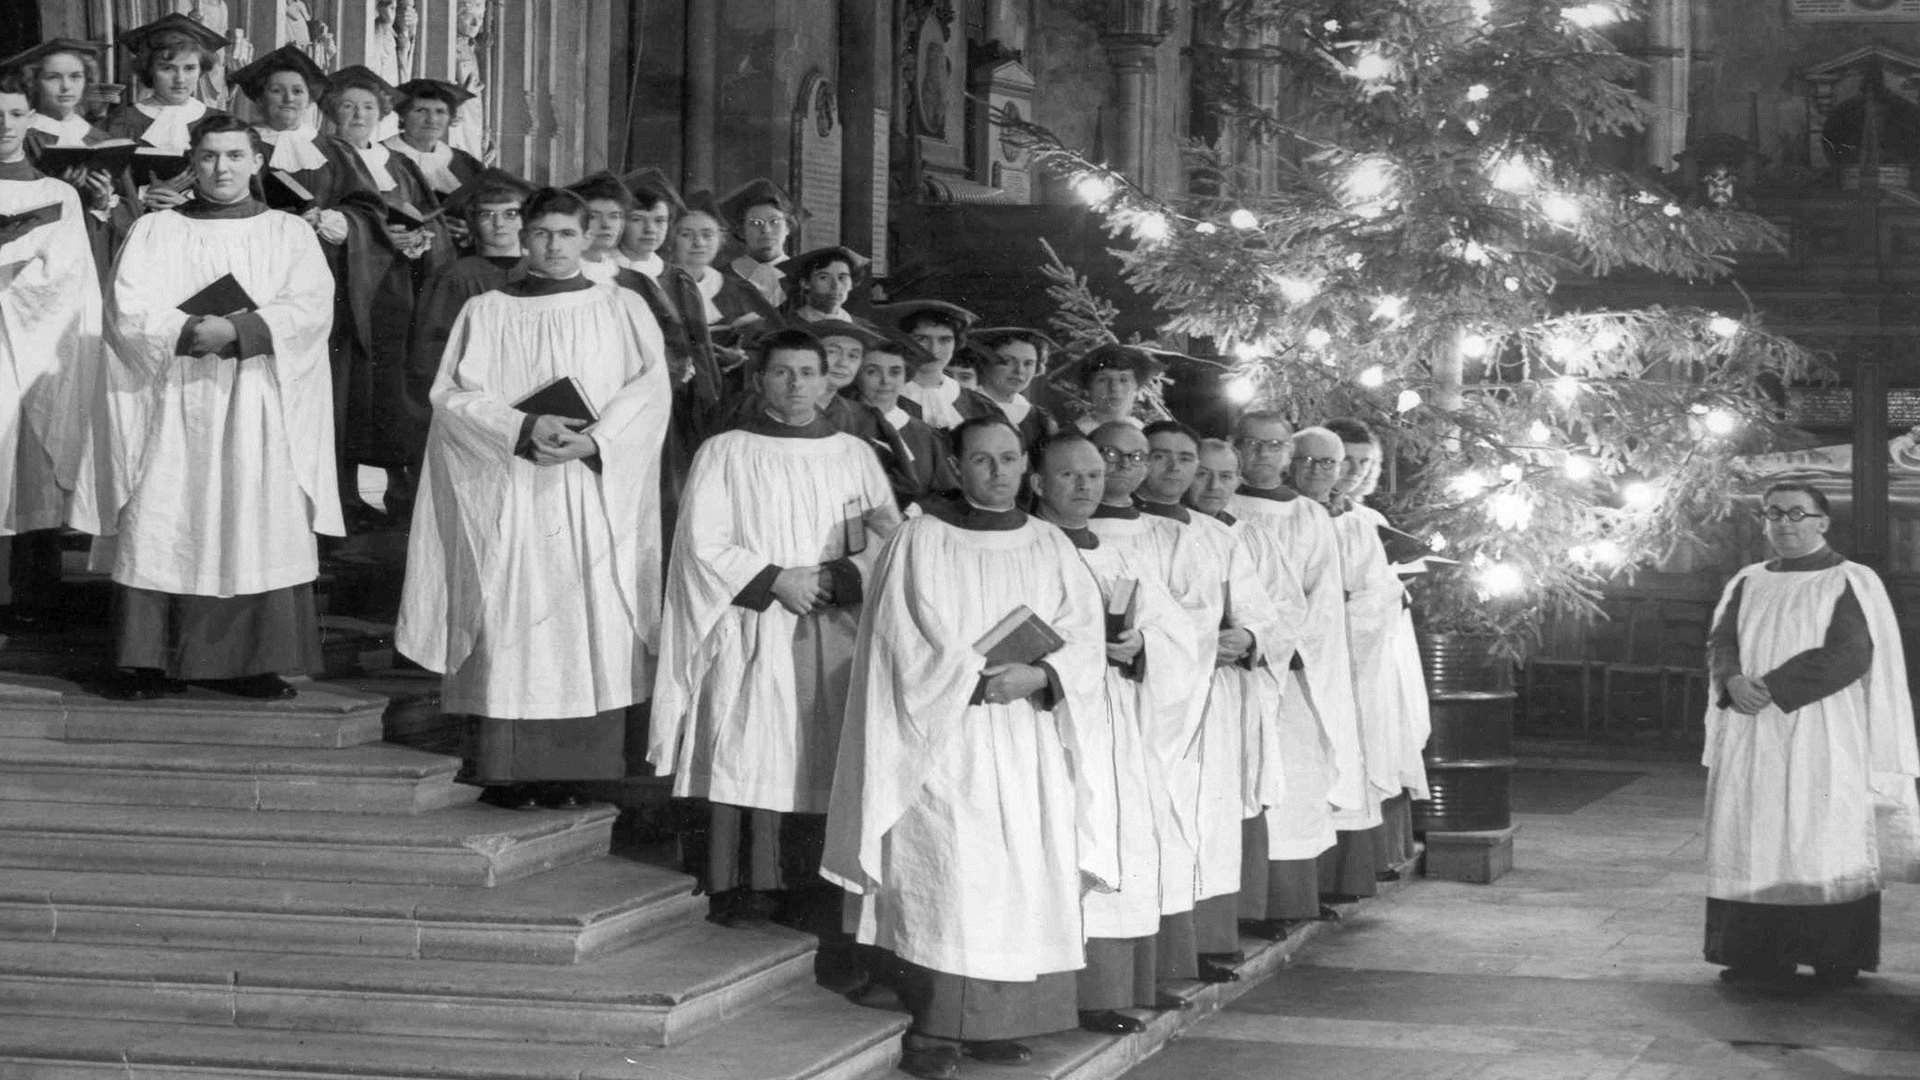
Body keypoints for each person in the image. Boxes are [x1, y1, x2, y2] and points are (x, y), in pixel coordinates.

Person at [822, 417, 1112, 1080]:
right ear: (954, 466)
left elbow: (1084, 635)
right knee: (952, 872)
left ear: (1024, 465)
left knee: (1020, 871)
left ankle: (1000, 1025)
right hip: (945, 737)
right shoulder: (920, 539)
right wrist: (972, 677)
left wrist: (1041, 676)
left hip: (1030, 731)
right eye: (981, 461)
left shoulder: (1049, 543)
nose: (998, 473)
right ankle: (936, 1025)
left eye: (1009, 459)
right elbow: (901, 639)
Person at [397, 186, 671, 809]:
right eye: (542, 233)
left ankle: (581, 768)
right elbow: (455, 396)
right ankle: (510, 770)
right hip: (513, 485)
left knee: (586, 617)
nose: (553, 245)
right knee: (514, 612)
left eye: (567, 234)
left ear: (588, 239)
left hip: (588, 488)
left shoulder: (622, 307)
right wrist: (523, 427)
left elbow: (650, 392)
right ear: (524, 237)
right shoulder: (489, 310)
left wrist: (595, 442)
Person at [651, 327, 899, 924]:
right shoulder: (726, 451)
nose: (796, 385)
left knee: (822, 751)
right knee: (749, 742)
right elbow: (700, 544)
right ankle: (741, 884)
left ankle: (814, 887)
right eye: (782, 373)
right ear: (760, 380)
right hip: (752, 619)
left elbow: (889, 541)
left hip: (832, 621)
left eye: (808, 373)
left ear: (826, 381)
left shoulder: (855, 454)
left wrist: (841, 576)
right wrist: (776, 579)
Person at [96, 113, 339, 701]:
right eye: (208, 157)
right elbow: (126, 309)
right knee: (165, 514)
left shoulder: (289, 233)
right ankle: (147, 660)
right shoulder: (156, 231)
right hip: (174, 396)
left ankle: (255, 661)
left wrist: (243, 331)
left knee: (256, 516)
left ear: (257, 161)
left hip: (259, 397)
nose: (221, 168)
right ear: (192, 162)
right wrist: (189, 332)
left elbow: (311, 308)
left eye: (234, 156)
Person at [1702, 481, 1920, 986]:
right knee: (1754, 833)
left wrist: (1773, 687)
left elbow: (1850, 652)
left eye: (1797, 514)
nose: (1784, 523)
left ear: (1822, 522)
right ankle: (1755, 954)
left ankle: (1833, 956)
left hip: (1821, 727)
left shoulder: (1851, 579)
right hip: (1752, 731)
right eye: (1773, 513)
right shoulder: (1748, 580)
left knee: (1820, 833)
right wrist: (1733, 679)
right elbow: (1721, 640)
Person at [1025, 429, 1197, 1035]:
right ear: (1038, 481)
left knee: (1120, 841)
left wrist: (1142, 645)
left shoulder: (1121, 553)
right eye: (1069, 476)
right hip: (1049, 724)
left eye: (1094, 476)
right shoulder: (1022, 547)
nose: (1084, 487)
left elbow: (1177, 635)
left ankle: (1107, 990)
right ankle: (1057, 998)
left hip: (1118, 720)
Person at [1137, 423, 1289, 967]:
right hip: (1145, 696)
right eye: (1161, 458)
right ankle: (1156, 949)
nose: (1175, 471)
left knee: (1205, 817)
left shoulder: (1220, 536)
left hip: (1212, 697)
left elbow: (1264, 614)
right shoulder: (1121, 532)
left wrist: (1248, 636)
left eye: (1186, 460)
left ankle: (1201, 941)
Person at [1083, 421, 1219, 992]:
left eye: (1135, 456)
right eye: (1108, 456)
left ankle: (1129, 980)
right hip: (1068, 710)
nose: (1126, 466)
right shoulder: (1051, 535)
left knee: (1140, 833)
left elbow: (1184, 631)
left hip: (1142, 709)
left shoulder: (1168, 537)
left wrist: (1145, 646)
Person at [1228, 412, 1365, 930]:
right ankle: (1242, 902)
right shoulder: (1220, 503)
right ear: (1238, 448)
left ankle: (1284, 899)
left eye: (1276, 446)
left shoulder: (1309, 514)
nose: (1264, 455)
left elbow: (1323, 595)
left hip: (1290, 668)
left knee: (1296, 775)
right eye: (1254, 445)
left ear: (1290, 454)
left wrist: (1290, 648)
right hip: (1236, 665)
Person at [319, 64, 452, 523]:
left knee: (398, 386)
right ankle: (345, 491)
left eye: (368, 106)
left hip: (401, 290)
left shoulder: (397, 163)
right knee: (349, 390)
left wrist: (421, 243)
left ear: (383, 113)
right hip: (349, 288)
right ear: (331, 110)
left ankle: (401, 487)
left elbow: (428, 216)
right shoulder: (321, 155)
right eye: (348, 106)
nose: (358, 114)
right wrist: (377, 237)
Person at [0, 73, 106, 629]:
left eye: (15, 114)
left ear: (28, 120)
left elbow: (68, 278)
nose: (3, 125)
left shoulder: (56, 194)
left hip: (32, 341)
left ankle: (29, 594)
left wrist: (11, 279)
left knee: (29, 456)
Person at [1287, 424, 1399, 899]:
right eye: (1307, 462)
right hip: (1288, 662)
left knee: (1342, 759)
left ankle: (1340, 879)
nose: (1321, 473)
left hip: (1342, 659)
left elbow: (1379, 593)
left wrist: (1337, 617)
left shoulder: (1355, 522)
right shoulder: (1279, 516)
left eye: (1329, 464)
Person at [1326, 418, 1430, 874]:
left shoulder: (1371, 520)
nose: (1353, 470)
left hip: (1375, 650)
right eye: (1345, 459)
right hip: (1332, 646)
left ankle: (1377, 857)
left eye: (1364, 462)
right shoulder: (1314, 515)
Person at [6, 38, 138, 282]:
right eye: (53, 77)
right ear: (33, 82)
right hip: (39, 260)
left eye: (75, 76)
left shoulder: (101, 139)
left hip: (95, 253)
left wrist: (103, 201)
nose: (66, 86)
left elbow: (132, 214)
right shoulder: (21, 137)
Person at [407, 168, 532, 382]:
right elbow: (429, 352)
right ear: (472, 221)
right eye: (486, 214)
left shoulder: (540, 273)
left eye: (510, 214)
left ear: (526, 220)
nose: (499, 223)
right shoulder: (452, 277)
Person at [104, 14, 229, 214]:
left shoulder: (221, 123)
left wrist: (187, 203)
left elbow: (238, 191)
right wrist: (147, 196)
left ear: (201, 70)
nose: (180, 79)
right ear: (149, 70)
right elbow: (106, 191)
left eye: (189, 68)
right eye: (167, 68)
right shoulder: (120, 123)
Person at [851, 333, 958, 507]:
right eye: (872, 372)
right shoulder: (842, 422)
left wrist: (915, 511)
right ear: (857, 375)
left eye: (895, 372)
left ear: (906, 376)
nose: (885, 381)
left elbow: (947, 493)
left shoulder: (925, 434)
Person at [669, 190, 779, 335]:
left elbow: (774, 340)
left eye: (707, 235)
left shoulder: (740, 290)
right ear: (671, 240)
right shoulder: (655, 285)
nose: (699, 243)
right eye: (686, 235)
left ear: (721, 240)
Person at [878, 299, 977, 430]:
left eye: (944, 340)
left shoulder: (977, 404)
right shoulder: (880, 397)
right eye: (922, 339)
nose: (934, 350)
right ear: (902, 341)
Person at [962, 326, 1059, 449]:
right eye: (1008, 361)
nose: (1019, 371)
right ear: (984, 362)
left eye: (1028, 363)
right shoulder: (962, 407)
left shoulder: (1040, 419)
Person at [383, 78, 483, 197]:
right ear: (402, 116)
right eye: (420, 111)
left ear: (450, 118)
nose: (431, 120)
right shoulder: (376, 156)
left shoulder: (466, 163)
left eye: (440, 112)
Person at [718, 177, 797, 307]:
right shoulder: (722, 277)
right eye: (755, 223)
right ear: (741, 231)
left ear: (788, 227)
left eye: (775, 222)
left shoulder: (802, 278)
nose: (766, 230)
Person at [1072, 343, 1162, 434]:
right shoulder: (1073, 436)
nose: (1114, 388)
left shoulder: (1148, 435)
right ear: (1088, 388)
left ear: (1137, 386)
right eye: (1103, 380)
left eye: (1123, 380)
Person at [618, 167, 680, 278]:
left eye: (659, 220)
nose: (650, 229)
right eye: (637, 219)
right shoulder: (598, 274)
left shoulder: (679, 281)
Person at [784, 244, 867, 324]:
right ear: (805, 283)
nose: (836, 286)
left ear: (851, 283)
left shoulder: (863, 327)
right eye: (824, 278)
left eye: (842, 277)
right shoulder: (788, 325)